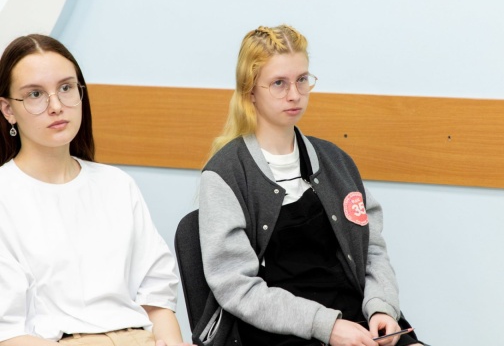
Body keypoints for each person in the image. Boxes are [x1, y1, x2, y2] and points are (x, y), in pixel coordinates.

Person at [197, 25, 424, 346]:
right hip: (281, 331)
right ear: (250, 90)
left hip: (357, 319)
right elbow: (236, 286)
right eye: (279, 83)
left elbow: (371, 249)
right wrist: (327, 326)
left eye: (302, 79)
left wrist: (381, 308)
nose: (294, 94)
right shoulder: (225, 175)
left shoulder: (335, 162)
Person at [0, 34, 194, 346]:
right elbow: (8, 332)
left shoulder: (117, 184)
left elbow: (157, 301)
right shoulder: (6, 196)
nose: (56, 106)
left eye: (66, 88)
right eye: (35, 94)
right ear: (8, 109)